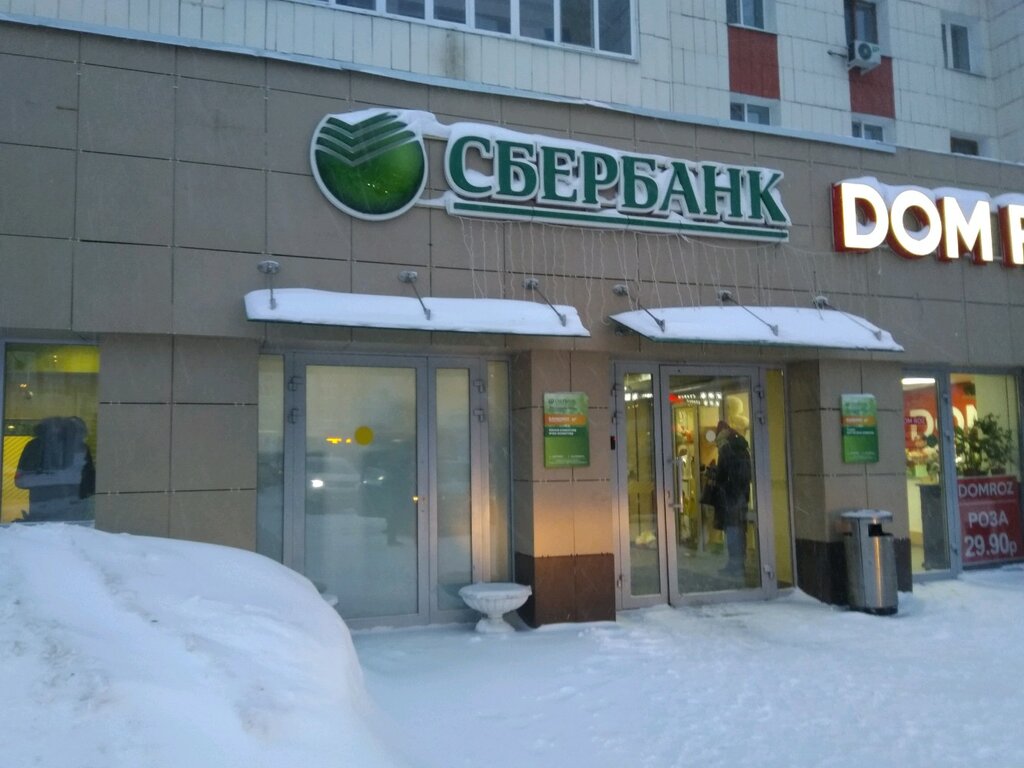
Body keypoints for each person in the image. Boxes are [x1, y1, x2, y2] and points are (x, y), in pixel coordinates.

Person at [14, 416, 95, 522]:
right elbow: (21, 481)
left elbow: (90, 482)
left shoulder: (83, 448)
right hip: (43, 511)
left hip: (74, 511)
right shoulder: (34, 447)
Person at [709, 420, 751, 576]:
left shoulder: (726, 447)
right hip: (743, 493)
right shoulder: (741, 445)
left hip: (730, 495)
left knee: (732, 528)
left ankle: (734, 564)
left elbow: (723, 473)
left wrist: (714, 473)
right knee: (739, 528)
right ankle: (740, 562)